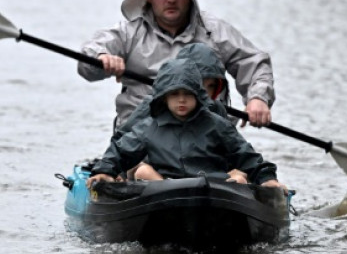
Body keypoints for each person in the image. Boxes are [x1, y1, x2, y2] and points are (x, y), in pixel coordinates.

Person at [78, 0, 274, 130]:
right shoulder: (127, 33)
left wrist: (257, 98)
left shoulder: (214, 31)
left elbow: (254, 62)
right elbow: (88, 62)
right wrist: (102, 58)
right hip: (141, 136)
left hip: (205, 136)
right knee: (138, 163)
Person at [85, 58, 287, 192]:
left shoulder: (216, 124)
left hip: (213, 190)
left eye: (187, 94)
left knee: (239, 180)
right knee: (143, 173)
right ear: (164, 98)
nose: (181, 101)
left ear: (198, 96)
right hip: (165, 188)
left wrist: (267, 178)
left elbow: (245, 154)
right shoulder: (149, 127)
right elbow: (121, 151)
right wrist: (105, 171)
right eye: (174, 94)